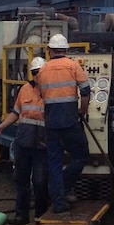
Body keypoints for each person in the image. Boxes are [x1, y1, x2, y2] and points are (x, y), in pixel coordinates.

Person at [34, 33, 90, 214]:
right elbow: (86, 91)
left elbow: (43, 95)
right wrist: (82, 111)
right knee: (81, 155)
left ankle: (58, 203)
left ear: (49, 51)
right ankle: (66, 184)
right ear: (66, 50)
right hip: (69, 121)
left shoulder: (42, 71)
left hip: (51, 123)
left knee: (54, 162)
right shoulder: (73, 66)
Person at [0, 56, 49, 225]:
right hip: (24, 142)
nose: (37, 75)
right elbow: (16, 112)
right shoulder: (24, 90)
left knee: (40, 181)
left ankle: (41, 216)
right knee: (21, 179)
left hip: (41, 144)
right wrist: (2, 126)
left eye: (40, 72)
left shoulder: (51, 92)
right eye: (35, 72)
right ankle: (21, 215)